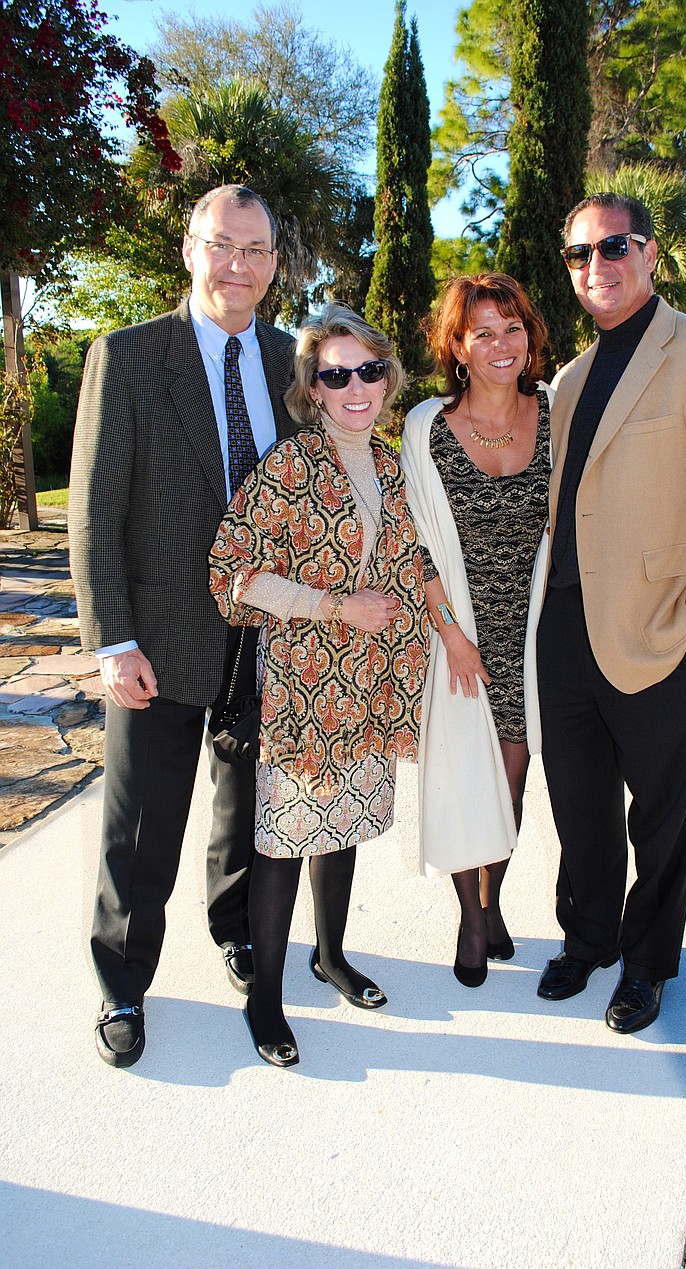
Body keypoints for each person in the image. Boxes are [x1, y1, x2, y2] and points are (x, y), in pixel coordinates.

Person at [69, 184, 297, 1068]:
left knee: (244, 807)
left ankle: (236, 928)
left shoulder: (293, 359)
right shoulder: (126, 358)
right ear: (190, 250)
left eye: (257, 250)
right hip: (157, 635)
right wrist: (112, 640)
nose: (238, 265)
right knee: (142, 820)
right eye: (223, 245)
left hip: (265, 630)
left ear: (275, 265)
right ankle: (122, 979)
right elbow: (92, 508)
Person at [536, 193, 686, 1033]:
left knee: (663, 817)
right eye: (578, 254)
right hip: (563, 631)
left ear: (649, 252)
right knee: (580, 806)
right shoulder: (568, 378)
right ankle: (590, 935)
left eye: (612, 246)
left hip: (665, 628)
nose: (595, 265)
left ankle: (646, 963)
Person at [209, 303, 427, 1067]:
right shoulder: (291, 466)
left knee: (343, 828)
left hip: (366, 688)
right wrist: (333, 605)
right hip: (303, 690)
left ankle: (331, 955)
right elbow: (229, 570)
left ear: (387, 376)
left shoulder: (395, 465)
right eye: (336, 374)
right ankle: (264, 997)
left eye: (368, 369)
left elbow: (410, 569)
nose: (355, 386)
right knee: (282, 843)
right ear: (314, 388)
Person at [401, 274, 553, 987]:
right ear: (457, 347)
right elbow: (416, 542)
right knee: (468, 778)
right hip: (458, 629)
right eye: (482, 331)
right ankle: (471, 915)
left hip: (531, 633)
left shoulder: (553, 411)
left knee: (511, 781)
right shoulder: (427, 424)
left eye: (512, 327)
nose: (501, 343)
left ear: (530, 339)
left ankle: (494, 897)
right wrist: (450, 633)